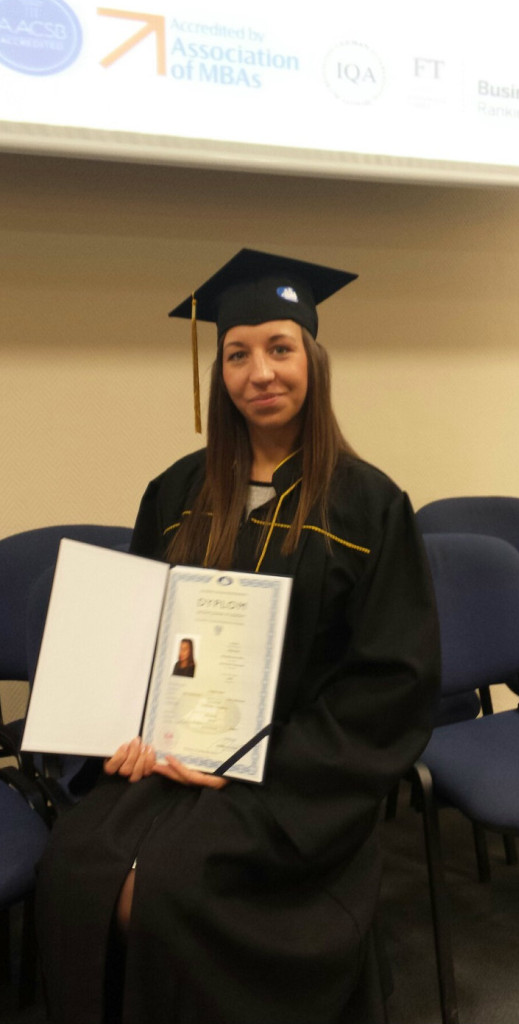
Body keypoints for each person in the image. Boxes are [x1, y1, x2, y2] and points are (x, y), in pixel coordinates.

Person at [35, 249, 440, 1024]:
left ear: (312, 362)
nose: (261, 372)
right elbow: (138, 639)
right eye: (238, 353)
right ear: (216, 371)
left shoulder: (369, 507)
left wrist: (260, 762)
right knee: (78, 864)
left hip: (293, 776)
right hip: (166, 758)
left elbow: (391, 679)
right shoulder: (178, 492)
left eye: (280, 349)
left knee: (173, 888)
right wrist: (125, 731)